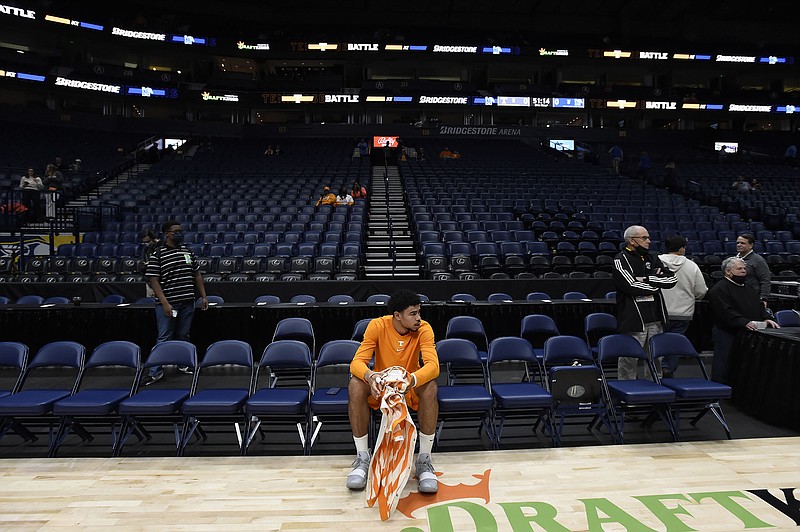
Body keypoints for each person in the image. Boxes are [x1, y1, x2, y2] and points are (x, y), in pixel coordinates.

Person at [347, 290, 440, 493]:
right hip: (381, 387)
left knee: (431, 385)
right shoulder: (378, 325)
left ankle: (424, 460)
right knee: (355, 384)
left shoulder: (424, 329)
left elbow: (433, 366)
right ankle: (362, 457)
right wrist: (371, 377)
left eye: (419, 313)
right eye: (413, 314)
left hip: (409, 387)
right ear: (397, 315)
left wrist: (412, 379)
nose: (418, 318)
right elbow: (356, 363)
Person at [144, 220, 208, 385]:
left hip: (187, 302)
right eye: (175, 231)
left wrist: (203, 296)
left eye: (180, 231)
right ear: (166, 234)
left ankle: (183, 364)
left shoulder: (187, 252)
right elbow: (153, 280)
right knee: (164, 337)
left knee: (183, 335)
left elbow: (197, 275)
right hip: (169, 303)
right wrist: (164, 303)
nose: (179, 234)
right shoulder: (158, 254)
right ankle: (155, 371)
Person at [612, 225, 677, 380]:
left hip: (655, 317)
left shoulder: (653, 257)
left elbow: (671, 279)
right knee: (629, 359)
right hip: (634, 319)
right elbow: (630, 286)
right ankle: (626, 391)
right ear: (631, 241)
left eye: (648, 237)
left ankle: (655, 389)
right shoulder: (620, 259)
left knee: (656, 357)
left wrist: (646, 278)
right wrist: (656, 284)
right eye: (644, 238)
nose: (649, 241)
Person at [707, 257, 779, 384]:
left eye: (744, 268)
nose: (744, 271)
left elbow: (759, 305)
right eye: (739, 269)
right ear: (728, 272)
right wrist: (743, 321)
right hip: (727, 332)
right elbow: (725, 311)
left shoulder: (748, 288)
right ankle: (719, 392)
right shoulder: (719, 289)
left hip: (747, 332)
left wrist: (767, 317)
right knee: (724, 362)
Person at [658, 235, 708, 377]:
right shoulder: (692, 265)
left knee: (657, 343)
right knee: (674, 344)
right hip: (682, 313)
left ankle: (656, 374)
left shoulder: (656, 262)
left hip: (659, 312)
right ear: (681, 249)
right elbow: (701, 291)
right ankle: (668, 370)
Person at [735, 233, 772, 305]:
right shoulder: (734, 259)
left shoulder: (758, 260)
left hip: (752, 298)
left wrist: (763, 298)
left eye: (743, 243)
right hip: (736, 296)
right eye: (738, 243)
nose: (739, 245)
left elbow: (765, 280)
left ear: (751, 245)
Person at [140, 228, 160, 298]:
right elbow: (142, 263)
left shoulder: (159, 247)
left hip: (159, 279)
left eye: (148, 241)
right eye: (144, 242)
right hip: (149, 279)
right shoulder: (145, 249)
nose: (146, 244)